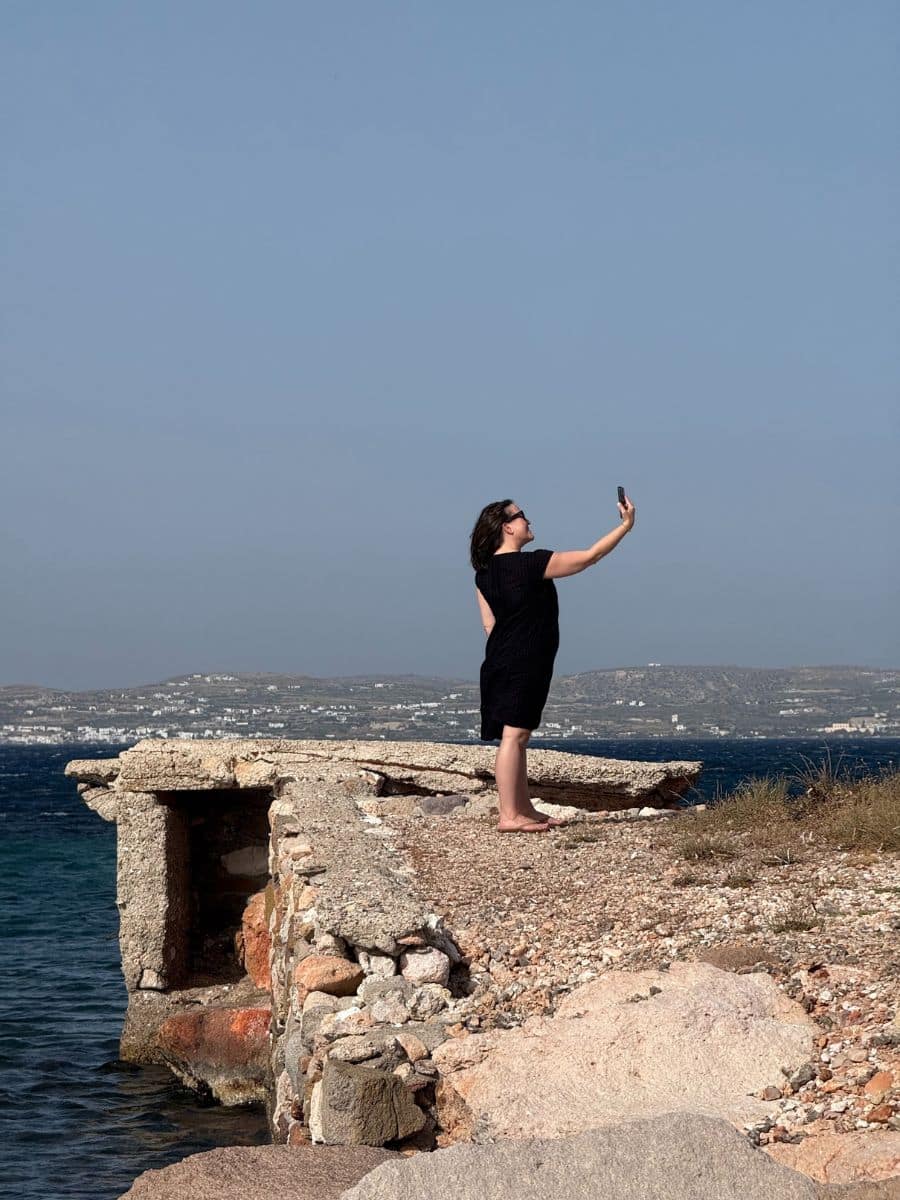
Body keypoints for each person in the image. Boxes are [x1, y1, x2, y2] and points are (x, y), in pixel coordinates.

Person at [469, 494, 636, 832]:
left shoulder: (483, 575)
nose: (528, 520)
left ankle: (523, 808)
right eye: (521, 515)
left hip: (500, 660)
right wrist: (626, 526)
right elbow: (590, 556)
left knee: (518, 735)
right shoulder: (531, 564)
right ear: (507, 527)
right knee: (513, 737)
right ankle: (509, 816)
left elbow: (490, 625)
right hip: (524, 661)